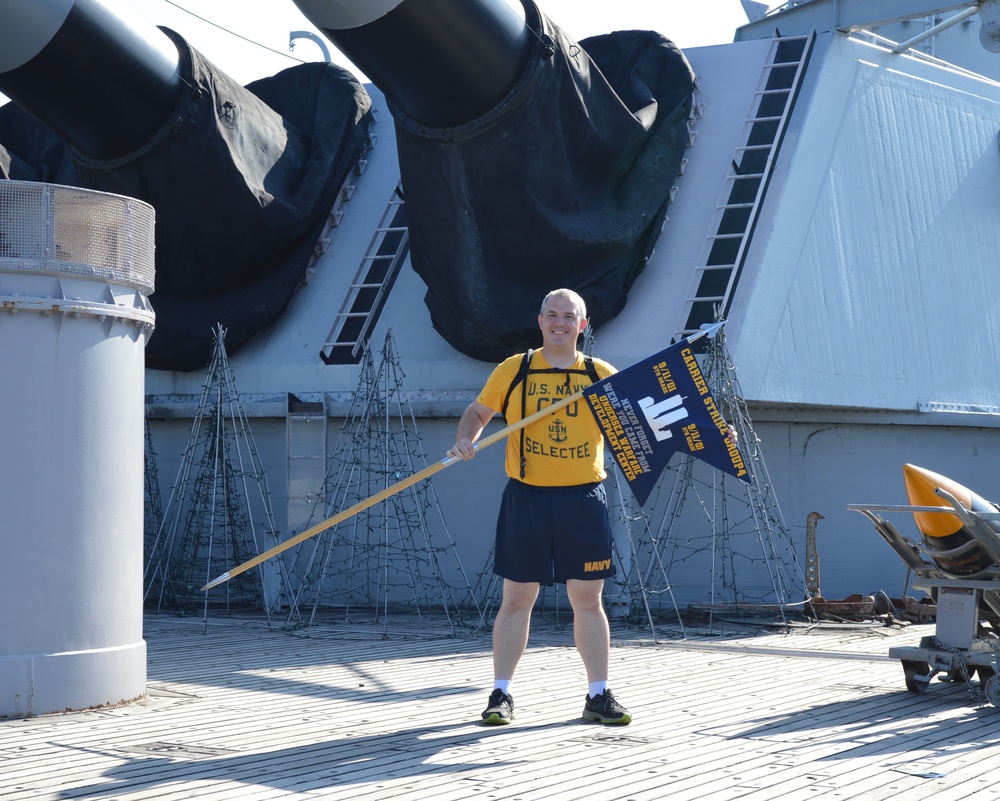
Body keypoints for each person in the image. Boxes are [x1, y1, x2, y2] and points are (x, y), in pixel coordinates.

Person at [447, 288, 631, 726]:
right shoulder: (516, 369)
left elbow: (646, 418)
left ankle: (598, 695)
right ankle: (501, 694)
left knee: (588, 601)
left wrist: (714, 433)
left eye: (570, 316)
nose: (560, 322)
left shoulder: (599, 375)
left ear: (582, 326)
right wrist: (465, 438)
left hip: (583, 499)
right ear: (540, 321)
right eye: (552, 315)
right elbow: (478, 412)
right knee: (517, 599)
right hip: (526, 498)